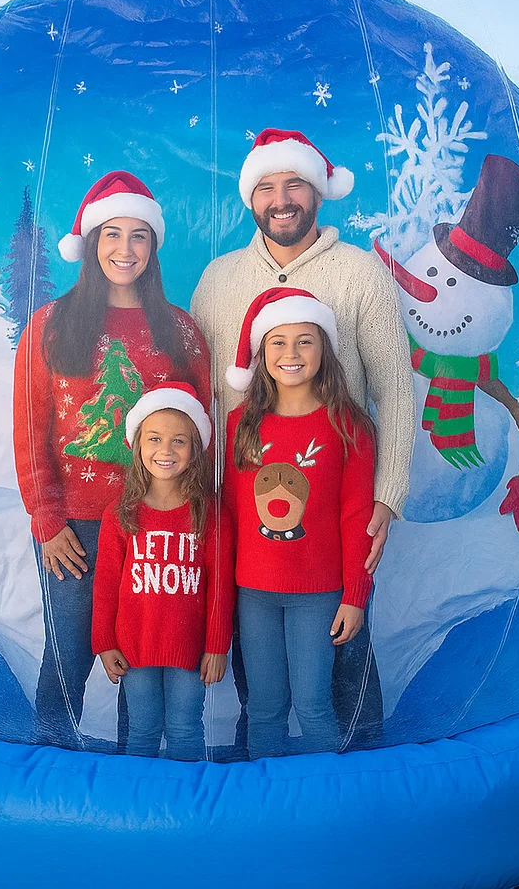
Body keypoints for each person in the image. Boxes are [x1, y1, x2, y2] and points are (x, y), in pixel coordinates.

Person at [190, 127, 415, 750]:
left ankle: (358, 782)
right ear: (250, 198)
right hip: (245, 520)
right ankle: (264, 795)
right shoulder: (218, 280)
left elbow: (395, 388)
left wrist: (387, 495)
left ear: (317, 191)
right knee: (256, 678)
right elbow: (201, 399)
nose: (280, 199)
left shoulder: (360, 275)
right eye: (266, 187)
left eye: (293, 184)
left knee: (342, 660)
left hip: (335, 504)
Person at [13, 171, 210, 750]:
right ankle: (43, 778)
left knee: (144, 669)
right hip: (76, 530)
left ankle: (137, 788)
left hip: (162, 531)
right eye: (112, 235)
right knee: (70, 655)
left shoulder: (182, 333)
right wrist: (47, 523)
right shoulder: (49, 327)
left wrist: (199, 522)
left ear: (154, 247)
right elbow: (30, 432)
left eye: (139, 236)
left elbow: (205, 438)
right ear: (92, 243)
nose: (125, 250)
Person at [223, 288, 375, 759]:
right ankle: (263, 812)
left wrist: (355, 595)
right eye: (278, 343)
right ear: (261, 354)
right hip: (253, 592)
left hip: (319, 593)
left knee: (313, 705)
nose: (291, 354)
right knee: (265, 706)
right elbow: (228, 514)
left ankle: (330, 812)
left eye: (304, 341)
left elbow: (356, 518)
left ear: (324, 349)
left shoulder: (349, 425)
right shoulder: (238, 426)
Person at [92, 383, 234, 761]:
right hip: (135, 645)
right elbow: (105, 585)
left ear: (195, 449)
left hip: (189, 648)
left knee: (186, 727)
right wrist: (104, 643)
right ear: (138, 445)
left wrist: (217, 647)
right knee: (142, 729)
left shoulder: (211, 513)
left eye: (178, 441)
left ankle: (187, 813)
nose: (165, 450)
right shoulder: (120, 514)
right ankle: (139, 813)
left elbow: (220, 588)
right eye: (154, 438)